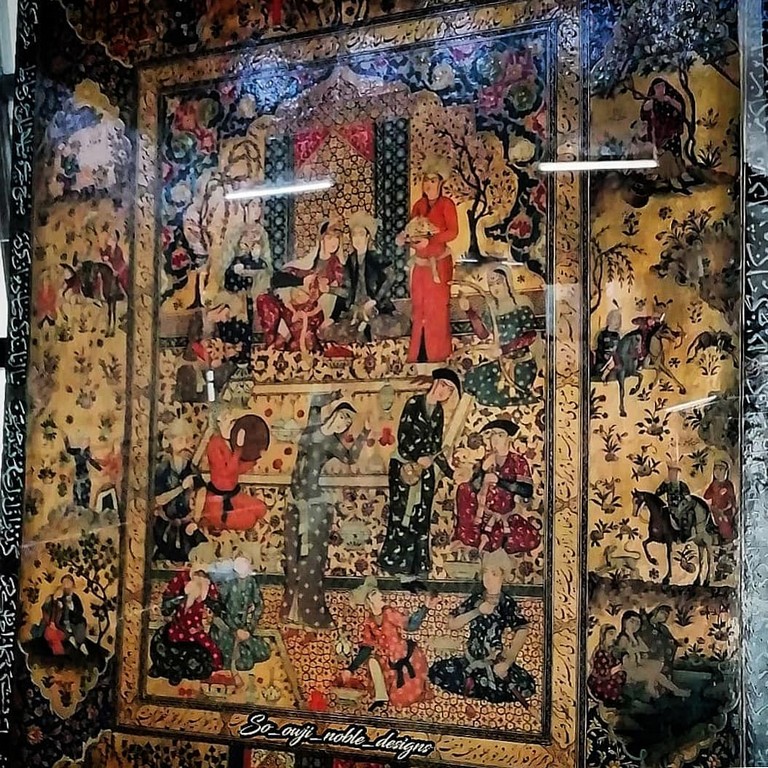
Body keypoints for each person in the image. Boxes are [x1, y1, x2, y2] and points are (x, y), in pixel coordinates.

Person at [281, 393, 369, 628]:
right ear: (334, 413)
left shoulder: (332, 444)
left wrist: (364, 433)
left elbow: (350, 458)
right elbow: (315, 401)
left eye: (347, 422)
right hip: (294, 501)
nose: (343, 423)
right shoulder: (313, 426)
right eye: (342, 416)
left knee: (311, 561)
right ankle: (291, 612)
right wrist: (335, 394)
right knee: (291, 557)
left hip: (314, 506)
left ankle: (311, 614)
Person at [377, 368, 460, 591]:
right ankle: (402, 573)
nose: (444, 391)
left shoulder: (439, 412)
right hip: (405, 470)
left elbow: (436, 447)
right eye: (444, 385)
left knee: (420, 521)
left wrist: (451, 472)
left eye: (450, 390)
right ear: (436, 383)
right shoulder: (414, 403)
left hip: (425, 473)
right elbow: (403, 437)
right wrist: (418, 457)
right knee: (403, 518)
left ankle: (415, 573)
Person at [428, 549, 535, 704]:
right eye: (485, 572)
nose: (488, 578)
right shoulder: (476, 599)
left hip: (494, 661)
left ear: (503, 576)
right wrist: (477, 611)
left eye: (494, 574)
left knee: (523, 685)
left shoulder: (506, 603)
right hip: (470, 659)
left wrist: (508, 661)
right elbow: (452, 623)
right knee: (437, 671)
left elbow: (522, 629)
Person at [397, 156, 458, 363]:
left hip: (439, 265)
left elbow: (453, 232)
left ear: (441, 182)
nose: (429, 184)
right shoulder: (419, 205)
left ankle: (438, 356)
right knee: (419, 308)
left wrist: (431, 239)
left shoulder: (447, 204)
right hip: (421, 265)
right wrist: (407, 240)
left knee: (437, 309)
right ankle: (418, 357)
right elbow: (413, 232)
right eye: (426, 180)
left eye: (433, 180)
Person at [453, 419, 540, 554]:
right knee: (464, 489)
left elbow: (526, 490)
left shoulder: (518, 461)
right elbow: (474, 487)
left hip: (504, 516)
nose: (495, 438)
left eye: (500, 435)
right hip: (481, 514)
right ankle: (479, 538)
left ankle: (490, 540)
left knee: (531, 538)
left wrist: (499, 481)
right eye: (493, 434)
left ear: (509, 439)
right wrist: (482, 470)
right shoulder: (487, 459)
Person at [348, 576, 432, 710]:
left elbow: (411, 625)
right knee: (372, 661)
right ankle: (381, 697)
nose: (381, 595)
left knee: (399, 699)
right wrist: (350, 669)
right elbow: (366, 647)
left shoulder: (389, 612)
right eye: (375, 594)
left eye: (379, 592)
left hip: (406, 657)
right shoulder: (369, 621)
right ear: (369, 601)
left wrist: (425, 607)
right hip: (388, 661)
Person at [461, 267, 539, 406]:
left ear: (507, 282)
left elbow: (531, 335)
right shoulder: (492, 309)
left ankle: (524, 396)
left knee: (484, 395)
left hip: (520, 364)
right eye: (491, 285)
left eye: (498, 282)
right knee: (470, 381)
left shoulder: (521, 304)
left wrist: (504, 349)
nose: (495, 288)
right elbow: (483, 334)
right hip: (500, 362)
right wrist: (469, 311)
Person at [321, 211, 401, 344]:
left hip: (376, 309)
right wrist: (333, 316)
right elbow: (346, 291)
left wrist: (375, 300)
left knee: (375, 327)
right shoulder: (350, 261)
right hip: (354, 310)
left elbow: (391, 276)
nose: (357, 238)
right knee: (333, 332)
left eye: (361, 234)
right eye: (354, 235)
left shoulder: (376, 258)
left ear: (368, 237)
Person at [149, 566, 223, 686]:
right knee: (161, 642)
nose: (199, 579)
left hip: (195, 633)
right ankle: (162, 669)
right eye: (197, 575)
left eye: (202, 576)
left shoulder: (207, 591)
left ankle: (178, 673)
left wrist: (202, 625)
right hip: (176, 629)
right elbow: (168, 604)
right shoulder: (182, 583)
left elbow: (217, 607)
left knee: (202, 652)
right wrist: (176, 602)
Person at [201, 406, 268, 533]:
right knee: (250, 520)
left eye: (233, 421)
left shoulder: (229, 444)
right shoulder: (214, 445)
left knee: (261, 509)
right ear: (218, 423)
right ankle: (218, 522)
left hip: (234, 495)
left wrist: (255, 459)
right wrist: (238, 449)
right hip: (218, 503)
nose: (233, 425)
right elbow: (226, 472)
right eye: (229, 421)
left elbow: (237, 469)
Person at [153, 421, 207, 562]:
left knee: (201, 550)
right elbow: (158, 500)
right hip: (165, 525)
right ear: (170, 442)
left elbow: (202, 490)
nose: (184, 444)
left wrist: (195, 518)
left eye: (187, 440)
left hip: (186, 525)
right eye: (180, 440)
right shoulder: (163, 467)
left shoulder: (190, 467)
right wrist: (181, 488)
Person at [210, 556, 271, 672]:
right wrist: (234, 631)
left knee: (264, 652)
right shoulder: (226, 583)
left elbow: (259, 605)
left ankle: (244, 645)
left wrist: (249, 628)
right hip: (225, 630)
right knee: (245, 663)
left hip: (244, 628)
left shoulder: (251, 582)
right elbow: (220, 612)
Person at [615, 610, 689, 699]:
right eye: (632, 621)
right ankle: (652, 687)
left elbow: (645, 648)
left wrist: (633, 637)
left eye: (637, 623)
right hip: (629, 670)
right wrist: (631, 638)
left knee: (658, 668)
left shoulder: (636, 637)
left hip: (637, 665)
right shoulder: (623, 638)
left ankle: (676, 690)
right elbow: (626, 652)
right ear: (624, 621)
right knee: (655, 672)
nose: (634, 625)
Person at [223, 217, 272, 336]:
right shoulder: (236, 261)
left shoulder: (261, 262)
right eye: (245, 244)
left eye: (254, 245)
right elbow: (228, 281)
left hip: (254, 297)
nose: (249, 248)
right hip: (238, 298)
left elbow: (266, 277)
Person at [641, 78, 690, 193]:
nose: (660, 89)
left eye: (662, 86)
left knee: (675, 153)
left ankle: (679, 175)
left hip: (671, 131)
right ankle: (665, 178)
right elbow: (644, 111)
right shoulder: (652, 101)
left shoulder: (671, 97)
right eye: (657, 87)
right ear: (653, 89)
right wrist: (652, 102)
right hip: (658, 134)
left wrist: (670, 101)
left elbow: (680, 108)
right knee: (662, 154)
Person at [41, 575, 89, 657]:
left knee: (80, 626)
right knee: (62, 630)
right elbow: (50, 610)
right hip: (62, 621)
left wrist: (72, 609)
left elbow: (80, 611)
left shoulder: (75, 598)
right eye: (64, 583)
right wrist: (55, 600)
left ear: (72, 584)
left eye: (68, 583)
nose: (66, 585)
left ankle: (81, 644)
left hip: (75, 620)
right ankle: (71, 639)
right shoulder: (58, 596)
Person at [587, 624, 626, 706]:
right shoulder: (600, 652)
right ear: (604, 635)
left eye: (615, 635)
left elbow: (615, 662)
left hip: (608, 678)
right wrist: (614, 670)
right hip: (599, 681)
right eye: (611, 634)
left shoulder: (611, 651)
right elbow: (601, 672)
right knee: (611, 685)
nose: (613, 638)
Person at [655, 462, 695, 539]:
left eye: (674, 474)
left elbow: (688, 499)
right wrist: (663, 484)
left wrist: (684, 505)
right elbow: (657, 493)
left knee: (684, 519)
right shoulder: (667, 485)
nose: (672, 476)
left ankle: (683, 536)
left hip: (681, 508)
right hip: (670, 508)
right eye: (671, 473)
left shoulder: (682, 485)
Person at [638, 605, 680, 677]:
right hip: (646, 648)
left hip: (659, 652)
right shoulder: (645, 621)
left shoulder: (662, 628)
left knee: (668, 645)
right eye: (661, 613)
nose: (662, 616)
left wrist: (675, 642)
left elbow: (670, 638)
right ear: (656, 612)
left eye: (665, 616)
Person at [65, 434, 103, 509]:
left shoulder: (82, 452)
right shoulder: (81, 452)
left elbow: (92, 462)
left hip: (82, 479)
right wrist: (100, 469)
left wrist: (100, 469)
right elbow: (92, 462)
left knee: (81, 501)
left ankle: (82, 511)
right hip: (81, 479)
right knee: (80, 501)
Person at [704, 460, 737, 542]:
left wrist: (730, 507)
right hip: (715, 509)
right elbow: (706, 496)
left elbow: (732, 499)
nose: (718, 472)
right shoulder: (713, 484)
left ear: (725, 471)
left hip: (725, 510)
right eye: (716, 469)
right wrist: (716, 493)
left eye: (720, 469)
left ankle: (727, 538)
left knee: (723, 521)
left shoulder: (728, 485)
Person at [593, 307, 622, 381]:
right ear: (609, 320)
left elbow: (619, 349)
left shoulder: (617, 335)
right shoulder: (601, 334)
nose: (617, 322)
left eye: (618, 319)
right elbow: (597, 349)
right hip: (603, 361)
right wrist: (604, 356)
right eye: (615, 319)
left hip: (614, 359)